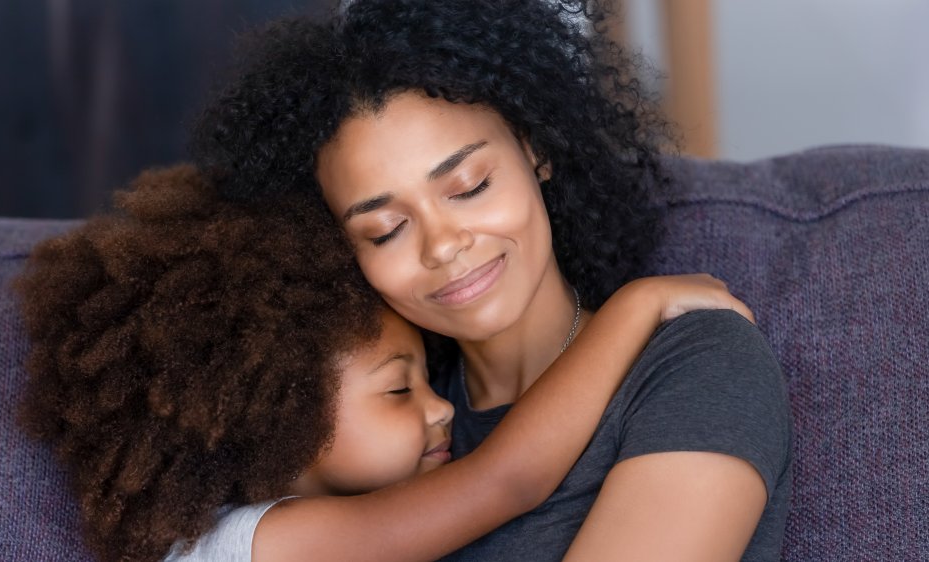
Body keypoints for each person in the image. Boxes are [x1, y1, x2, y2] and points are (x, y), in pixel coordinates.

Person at [191, 0, 793, 560]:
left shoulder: (697, 362)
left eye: (470, 186)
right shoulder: (378, 425)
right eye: (385, 229)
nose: (444, 244)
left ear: (535, 149)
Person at [18, 165, 754, 561]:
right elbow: (508, 479)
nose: (442, 410)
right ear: (285, 417)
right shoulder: (260, 545)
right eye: (400, 388)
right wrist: (634, 308)